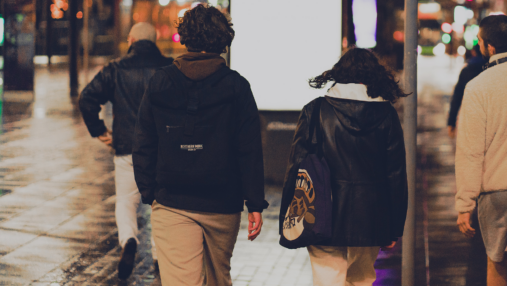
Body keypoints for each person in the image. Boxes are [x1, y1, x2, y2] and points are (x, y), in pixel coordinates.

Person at [132, 5, 268, 286]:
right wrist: (254, 202)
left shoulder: (161, 81)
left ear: (184, 38)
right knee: (219, 277)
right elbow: (249, 149)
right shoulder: (237, 87)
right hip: (223, 203)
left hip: (172, 203)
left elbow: (144, 140)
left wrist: (150, 192)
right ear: (224, 41)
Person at [280, 47, 409, 286]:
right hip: (371, 216)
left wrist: (287, 215)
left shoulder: (316, 110)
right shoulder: (386, 114)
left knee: (327, 279)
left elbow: (296, 166)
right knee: (361, 279)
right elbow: (396, 174)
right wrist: (394, 227)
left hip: (320, 213)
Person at [78, 22, 173, 279]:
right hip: (161, 150)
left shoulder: (115, 69)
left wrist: (99, 130)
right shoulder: (170, 68)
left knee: (125, 201)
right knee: (160, 204)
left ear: (131, 39)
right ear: (154, 41)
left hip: (126, 148)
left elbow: (86, 97)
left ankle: (129, 239)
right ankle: (158, 256)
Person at [455, 15, 507, 286]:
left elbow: (471, 151)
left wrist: (464, 204)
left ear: (489, 47)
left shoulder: (478, 87)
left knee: (496, 264)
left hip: (496, 191)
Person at [447, 44, 487, 139]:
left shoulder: (467, 71)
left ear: (473, 52)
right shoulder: (490, 68)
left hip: (471, 117)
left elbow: (457, 97)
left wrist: (451, 122)